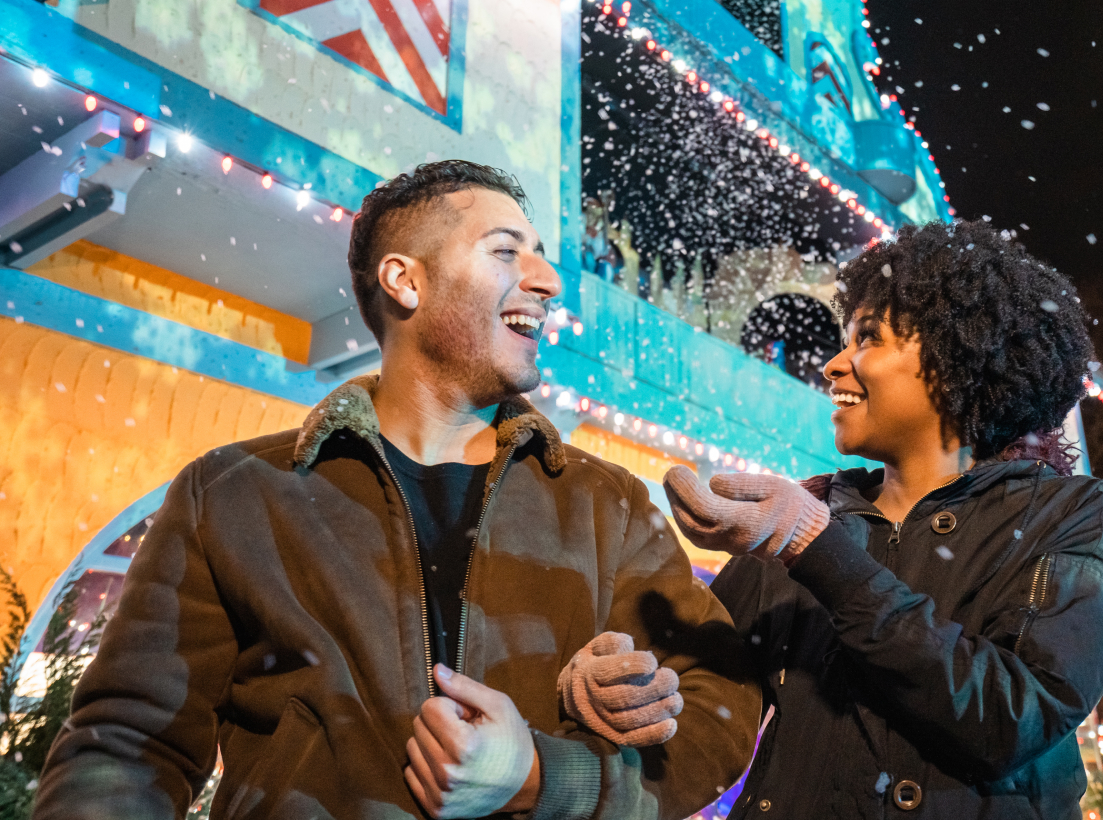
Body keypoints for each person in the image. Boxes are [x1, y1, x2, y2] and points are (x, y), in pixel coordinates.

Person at [34, 161, 759, 820]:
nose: (548, 280)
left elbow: (723, 706)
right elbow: (126, 747)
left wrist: (543, 777)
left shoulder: (610, 504)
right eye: (507, 250)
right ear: (404, 280)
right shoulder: (231, 493)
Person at [664, 220, 1103, 819]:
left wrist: (818, 550)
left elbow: (1010, 718)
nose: (834, 365)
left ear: (958, 351)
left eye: (868, 338)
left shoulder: (1070, 515)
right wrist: (630, 680)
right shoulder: (811, 510)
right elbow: (701, 692)